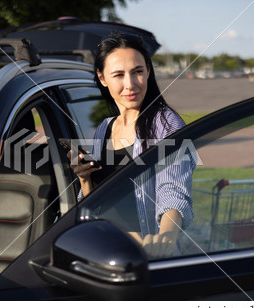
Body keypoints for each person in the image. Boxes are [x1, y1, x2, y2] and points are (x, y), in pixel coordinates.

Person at [68, 33, 195, 258]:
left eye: (138, 71)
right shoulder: (103, 129)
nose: (130, 84)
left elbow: (173, 189)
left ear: (148, 71)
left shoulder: (165, 123)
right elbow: (95, 205)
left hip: (146, 256)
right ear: (102, 77)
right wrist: (85, 179)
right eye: (118, 75)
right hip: (105, 252)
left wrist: (165, 237)